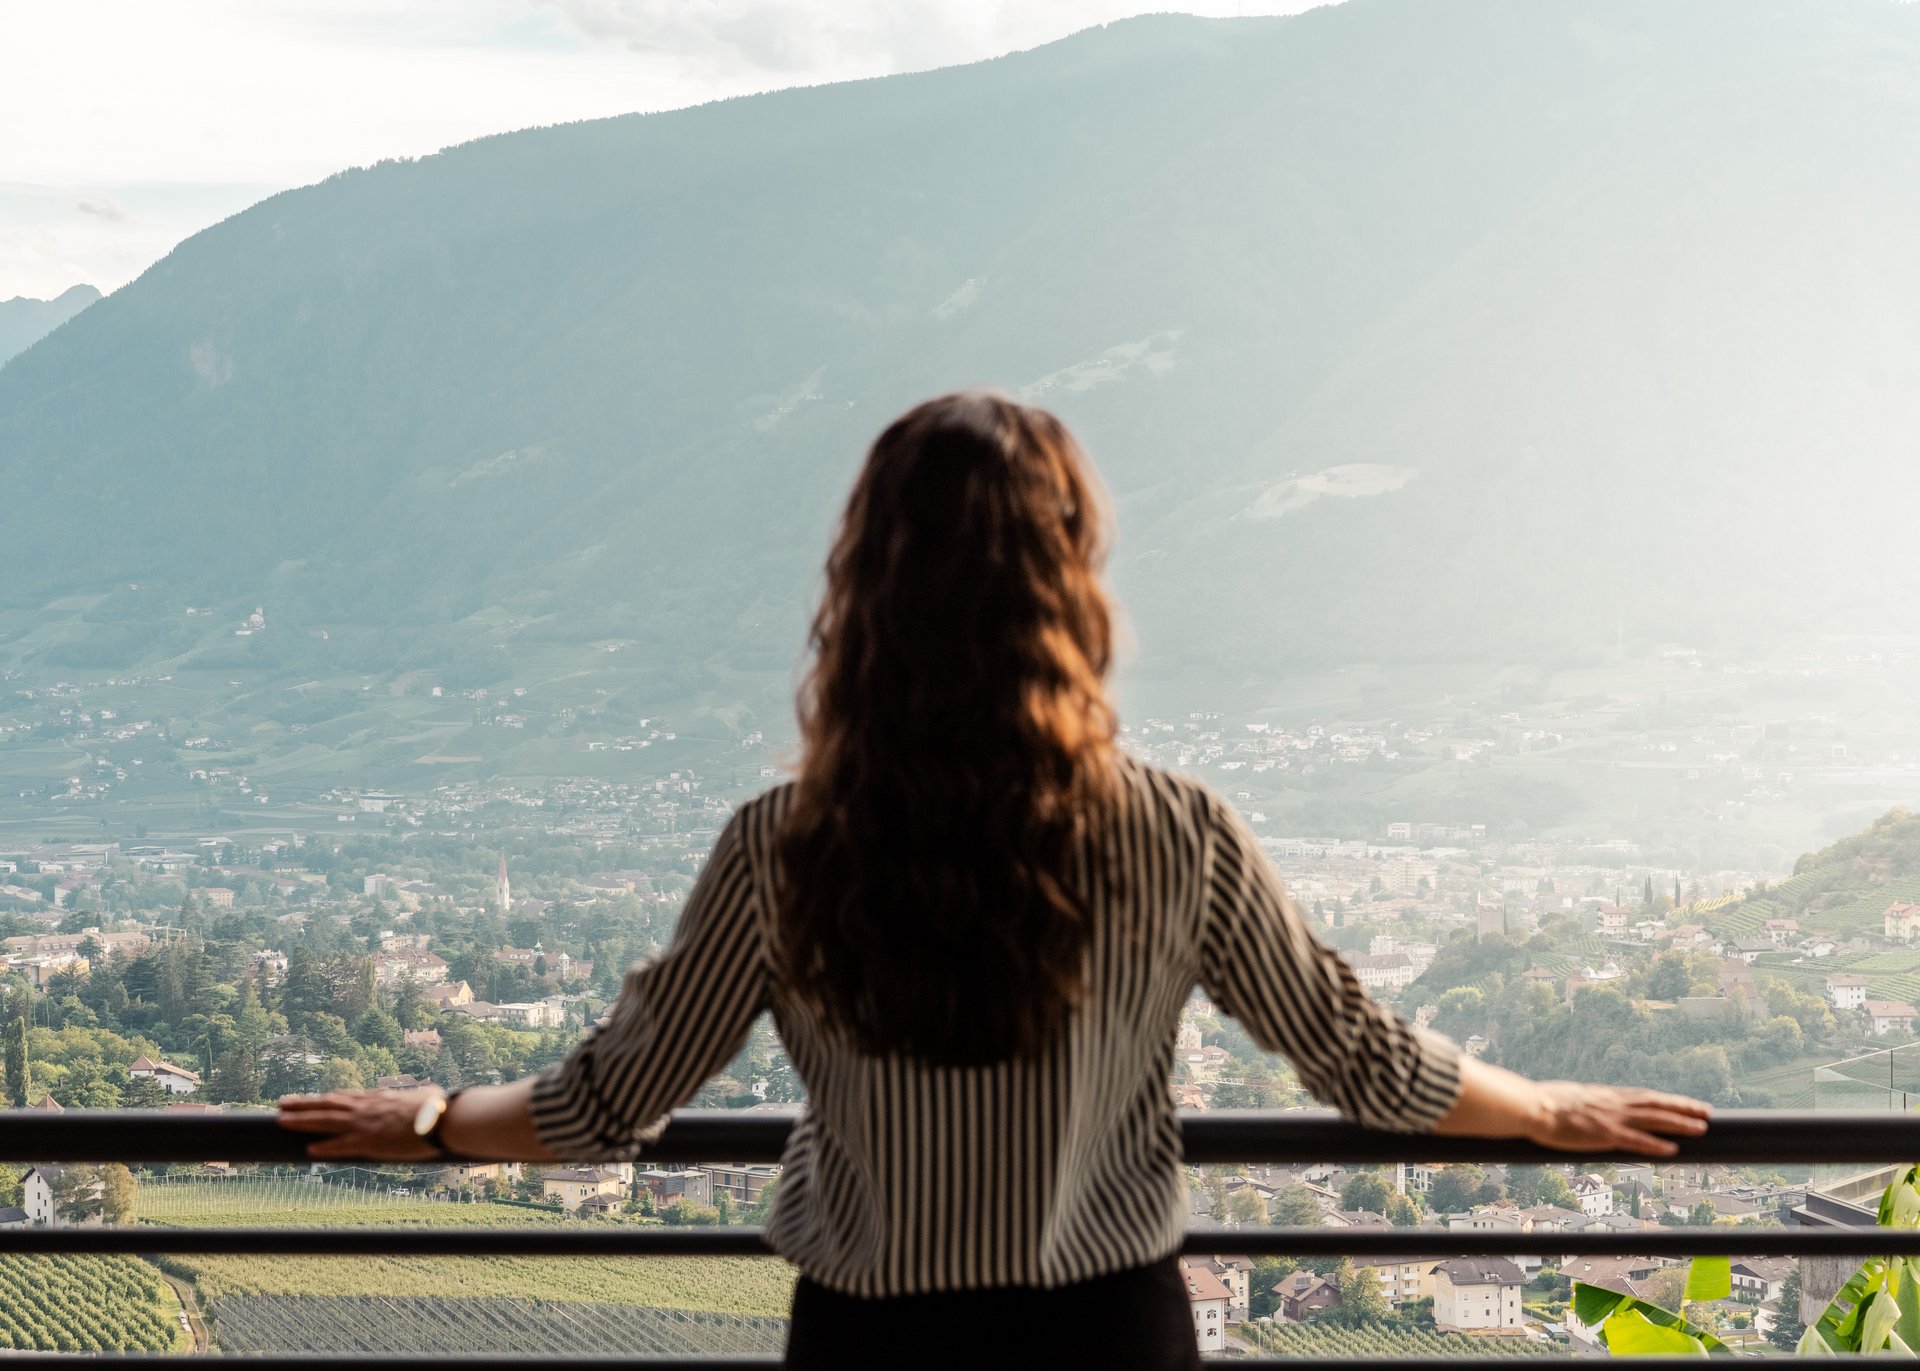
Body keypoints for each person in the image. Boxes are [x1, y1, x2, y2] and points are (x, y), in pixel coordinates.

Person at [281, 390, 1710, 1369]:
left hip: (874, 1346)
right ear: (1070, 580)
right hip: (1109, 1337)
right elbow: (1367, 1064)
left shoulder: (784, 845)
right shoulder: (1180, 831)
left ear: (866, 587)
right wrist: (1551, 1110)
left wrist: (422, 1119)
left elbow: (606, 1108)